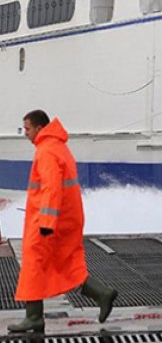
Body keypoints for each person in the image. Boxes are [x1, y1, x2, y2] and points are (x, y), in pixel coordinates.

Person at [8, 110, 118, 333]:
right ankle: (102, 293)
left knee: (33, 262)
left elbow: (51, 187)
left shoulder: (46, 151)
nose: (25, 133)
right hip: (67, 217)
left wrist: (47, 223)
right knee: (64, 262)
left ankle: (34, 317)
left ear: (39, 128)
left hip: (49, 220)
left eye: (27, 129)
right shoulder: (59, 147)